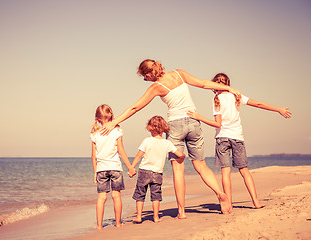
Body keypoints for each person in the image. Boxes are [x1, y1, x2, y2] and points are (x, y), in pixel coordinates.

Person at [101, 59, 242, 216]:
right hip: (194, 123)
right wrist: (228, 88)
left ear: (149, 73)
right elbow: (204, 84)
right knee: (201, 165)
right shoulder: (179, 73)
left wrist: (114, 122)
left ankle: (181, 211)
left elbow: (135, 107)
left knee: (178, 169)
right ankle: (219, 193)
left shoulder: (156, 87)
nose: (146, 80)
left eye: (145, 77)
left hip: (175, 126)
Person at [187, 73, 292, 210]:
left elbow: (218, 124)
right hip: (237, 137)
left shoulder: (217, 99)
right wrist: (278, 109)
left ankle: (229, 205)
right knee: (244, 171)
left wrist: (199, 117)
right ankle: (256, 202)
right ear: (228, 83)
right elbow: (258, 104)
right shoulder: (237, 96)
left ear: (214, 85)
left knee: (226, 172)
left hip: (222, 138)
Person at [130, 116, 185, 223]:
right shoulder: (167, 143)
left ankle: (139, 217)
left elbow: (138, 156)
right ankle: (156, 217)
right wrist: (181, 158)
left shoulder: (147, 141)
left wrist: (132, 167)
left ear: (150, 128)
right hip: (157, 173)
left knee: (140, 194)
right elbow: (180, 154)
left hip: (144, 171)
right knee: (156, 195)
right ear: (164, 128)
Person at [91, 104, 136, 229]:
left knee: (101, 197)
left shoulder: (94, 134)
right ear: (111, 116)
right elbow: (121, 151)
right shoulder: (117, 132)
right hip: (115, 168)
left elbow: (93, 156)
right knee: (116, 196)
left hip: (101, 169)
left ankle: (99, 225)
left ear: (97, 119)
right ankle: (117, 223)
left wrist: (95, 172)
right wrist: (130, 168)